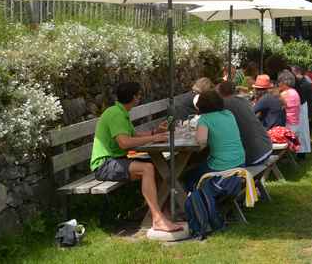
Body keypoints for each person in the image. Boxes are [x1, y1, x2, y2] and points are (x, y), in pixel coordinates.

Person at [90, 82, 182, 232]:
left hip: (118, 160)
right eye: (139, 95)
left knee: (160, 166)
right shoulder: (115, 114)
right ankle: (157, 219)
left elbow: (134, 136)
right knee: (147, 168)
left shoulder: (121, 112)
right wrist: (154, 139)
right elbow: (124, 143)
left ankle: (162, 211)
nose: (140, 98)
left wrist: (155, 132)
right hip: (104, 164)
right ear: (134, 98)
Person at [185, 90, 245, 191]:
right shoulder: (229, 114)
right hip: (240, 163)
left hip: (222, 166)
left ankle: (194, 201)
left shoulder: (204, 119)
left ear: (201, 105)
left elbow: (201, 143)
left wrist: (195, 135)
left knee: (188, 176)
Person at [217, 81, 273, 166]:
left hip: (254, 156)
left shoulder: (223, 105)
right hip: (267, 146)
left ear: (220, 93)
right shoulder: (243, 100)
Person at [278, 69, 311, 158]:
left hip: (288, 128)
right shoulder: (295, 92)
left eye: (279, 82)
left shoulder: (284, 94)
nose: (278, 84)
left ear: (283, 83)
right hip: (295, 126)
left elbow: (277, 107)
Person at [291, 65, 312, 130]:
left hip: (304, 112)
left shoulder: (304, 84)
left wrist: (309, 114)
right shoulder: (301, 82)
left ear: (297, 72)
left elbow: (310, 101)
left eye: (292, 72)